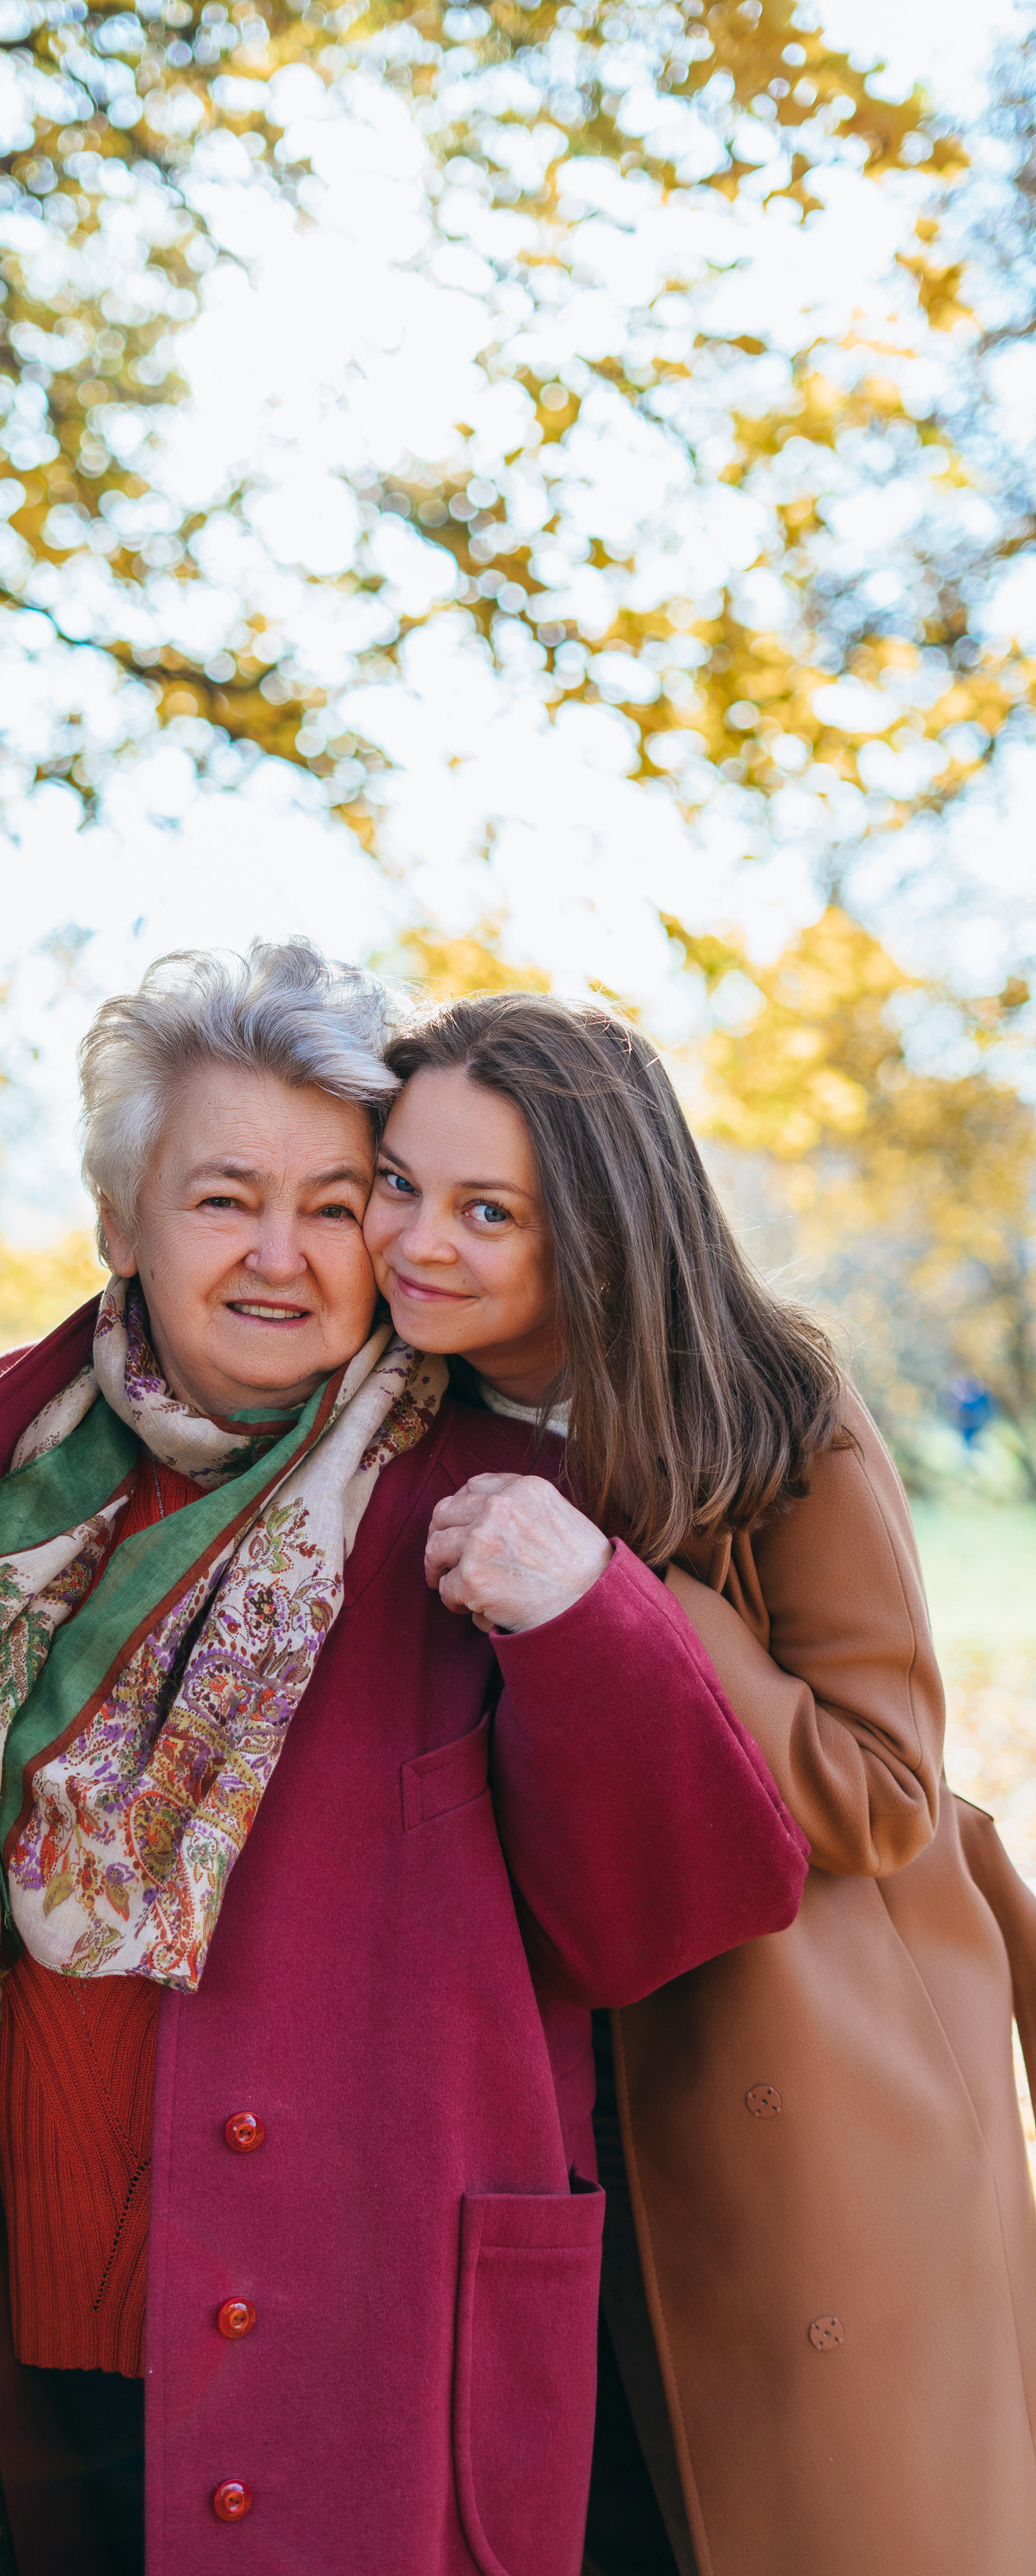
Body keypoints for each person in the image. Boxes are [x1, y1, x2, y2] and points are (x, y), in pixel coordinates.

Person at [0, 940, 807, 2576]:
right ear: (122, 1227)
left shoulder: (492, 1499)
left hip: (368, 2359)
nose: (283, 1255)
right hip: (46, 2343)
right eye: (221, 1199)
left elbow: (672, 1913)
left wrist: (586, 1620)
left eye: (336, 1203)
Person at [368, 987, 1036, 2576]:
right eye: (399, 1181)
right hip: (523, 2113)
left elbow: (883, 1790)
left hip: (799, 2096)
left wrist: (632, 1613)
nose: (419, 1244)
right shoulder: (388, 1421)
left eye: (487, 1212)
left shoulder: (775, 1411)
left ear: (597, 1232)